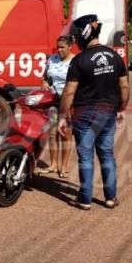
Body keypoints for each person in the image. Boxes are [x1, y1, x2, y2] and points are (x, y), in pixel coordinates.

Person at [58, 14, 130, 210]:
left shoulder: (79, 60)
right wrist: (122, 108)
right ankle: (110, 197)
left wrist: (62, 116)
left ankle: (85, 199)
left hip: (83, 114)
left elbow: (69, 91)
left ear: (84, 34)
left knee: (86, 156)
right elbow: (124, 87)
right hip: (108, 112)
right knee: (106, 154)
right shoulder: (115, 56)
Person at [41, 35, 76, 178]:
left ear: (70, 47)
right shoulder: (52, 59)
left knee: (66, 134)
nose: (59, 50)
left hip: (68, 102)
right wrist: (44, 82)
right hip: (53, 100)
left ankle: (64, 166)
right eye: (58, 47)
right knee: (52, 133)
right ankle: (53, 164)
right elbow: (45, 76)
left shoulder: (75, 61)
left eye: (62, 47)